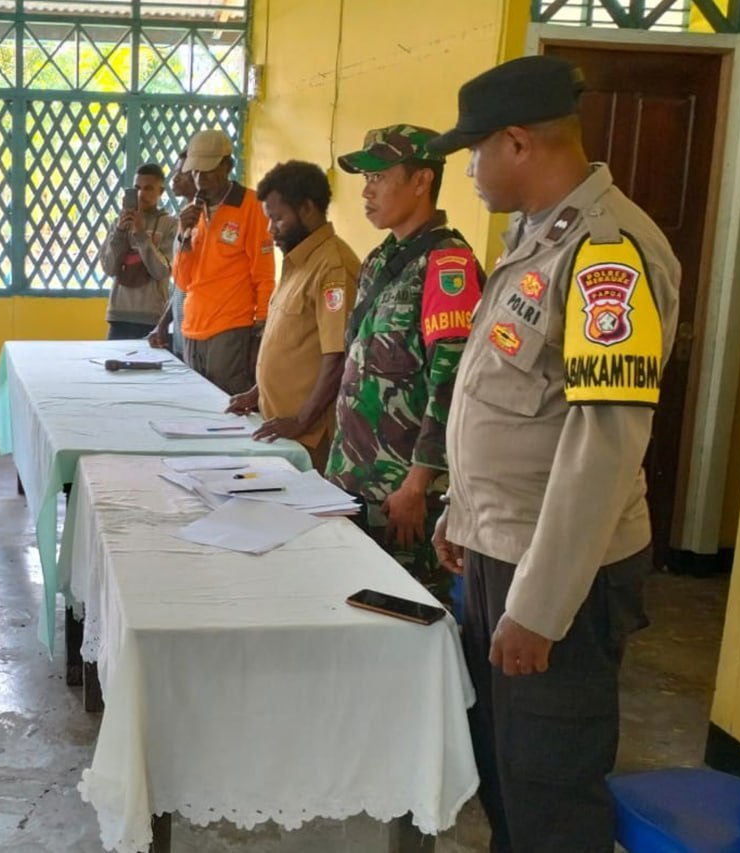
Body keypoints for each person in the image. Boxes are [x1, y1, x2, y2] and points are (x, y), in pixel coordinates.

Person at [429, 56, 680, 852]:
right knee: (505, 772)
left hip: (558, 567)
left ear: (517, 142)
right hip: (502, 544)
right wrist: (462, 511)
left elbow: (604, 443)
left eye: (475, 151)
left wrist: (539, 607)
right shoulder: (538, 236)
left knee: (550, 788)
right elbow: (507, 398)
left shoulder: (607, 254)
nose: (469, 169)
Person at [326, 125, 484, 601]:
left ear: (421, 181)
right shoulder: (382, 259)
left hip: (403, 495)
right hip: (355, 479)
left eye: (379, 177)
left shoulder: (447, 265)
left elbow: (452, 383)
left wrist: (418, 484)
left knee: (402, 609)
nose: (366, 191)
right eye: (365, 179)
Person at [225, 160, 359, 472]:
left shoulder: (333, 267)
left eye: (277, 219)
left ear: (307, 209)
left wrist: (301, 420)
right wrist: (256, 393)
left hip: (309, 436)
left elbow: (337, 357)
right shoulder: (298, 262)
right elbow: (293, 342)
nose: (270, 229)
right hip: (279, 427)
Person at [172, 129, 275, 394]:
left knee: (226, 405)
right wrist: (183, 236)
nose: (201, 180)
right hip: (192, 326)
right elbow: (182, 281)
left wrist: (260, 330)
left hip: (231, 328)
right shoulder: (191, 213)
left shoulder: (252, 206)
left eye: (208, 171)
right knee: (195, 403)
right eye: (196, 172)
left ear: (228, 166)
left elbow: (264, 275)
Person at [99, 163, 177, 340]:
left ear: (161, 191)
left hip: (153, 317)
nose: (141, 194)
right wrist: (119, 232)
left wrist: (141, 234)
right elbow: (109, 269)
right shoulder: (119, 223)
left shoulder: (171, 225)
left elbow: (162, 271)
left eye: (148, 188)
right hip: (119, 315)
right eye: (137, 188)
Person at [149, 150, 197, 359]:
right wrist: (163, 323)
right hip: (180, 328)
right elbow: (180, 283)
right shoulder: (185, 218)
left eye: (182, 173)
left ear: (198, 175)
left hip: (199, 330)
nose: (174, 178)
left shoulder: (206, 220)